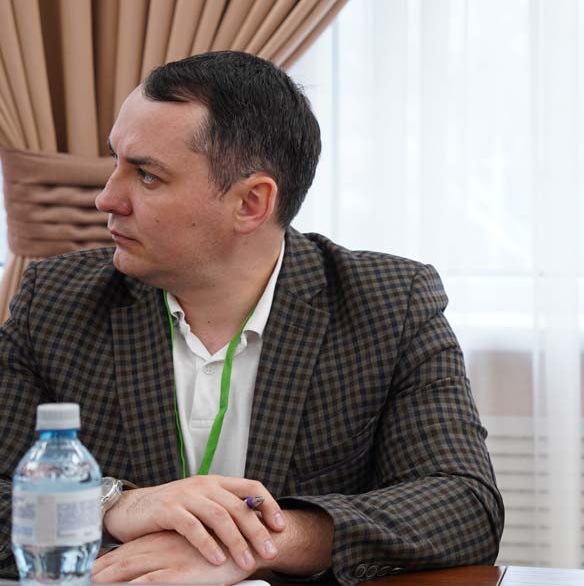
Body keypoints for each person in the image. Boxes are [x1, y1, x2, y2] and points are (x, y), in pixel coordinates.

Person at [0, 51, 503, 585]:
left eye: (147, 176)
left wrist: (257, 545)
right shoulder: (57, 300)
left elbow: (464, 505)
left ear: (251, 203)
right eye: (116, 162)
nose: (107, 198)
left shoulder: (388, 304)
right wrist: (111, 505)